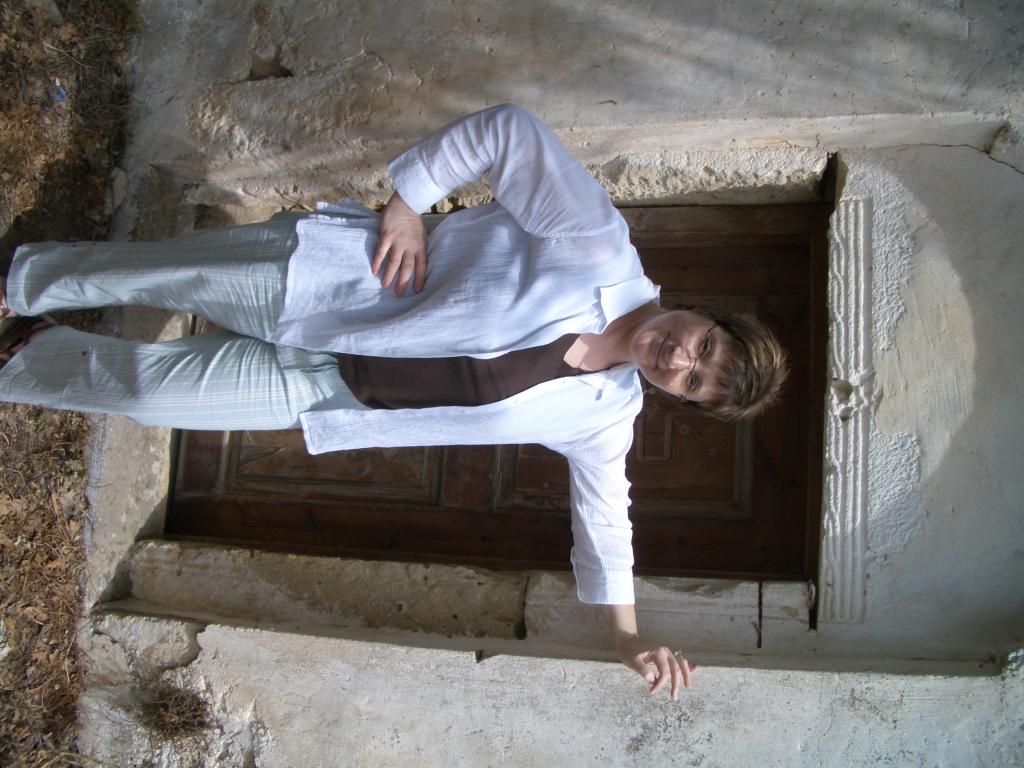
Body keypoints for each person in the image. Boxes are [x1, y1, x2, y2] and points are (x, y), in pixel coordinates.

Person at [0, 104, 786, 701]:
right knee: (158, 276)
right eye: (704, 347)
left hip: (328, 390)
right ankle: (21, 283)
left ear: (680, 399)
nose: (678, 359)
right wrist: (409, 202)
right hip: (330, 282)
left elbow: (607, 524)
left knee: (148, 393)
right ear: (706, 316)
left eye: (692, 382)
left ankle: (23, 356)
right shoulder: (600, 248)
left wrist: (627, 638)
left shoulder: (605, 414)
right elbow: (510, 134)